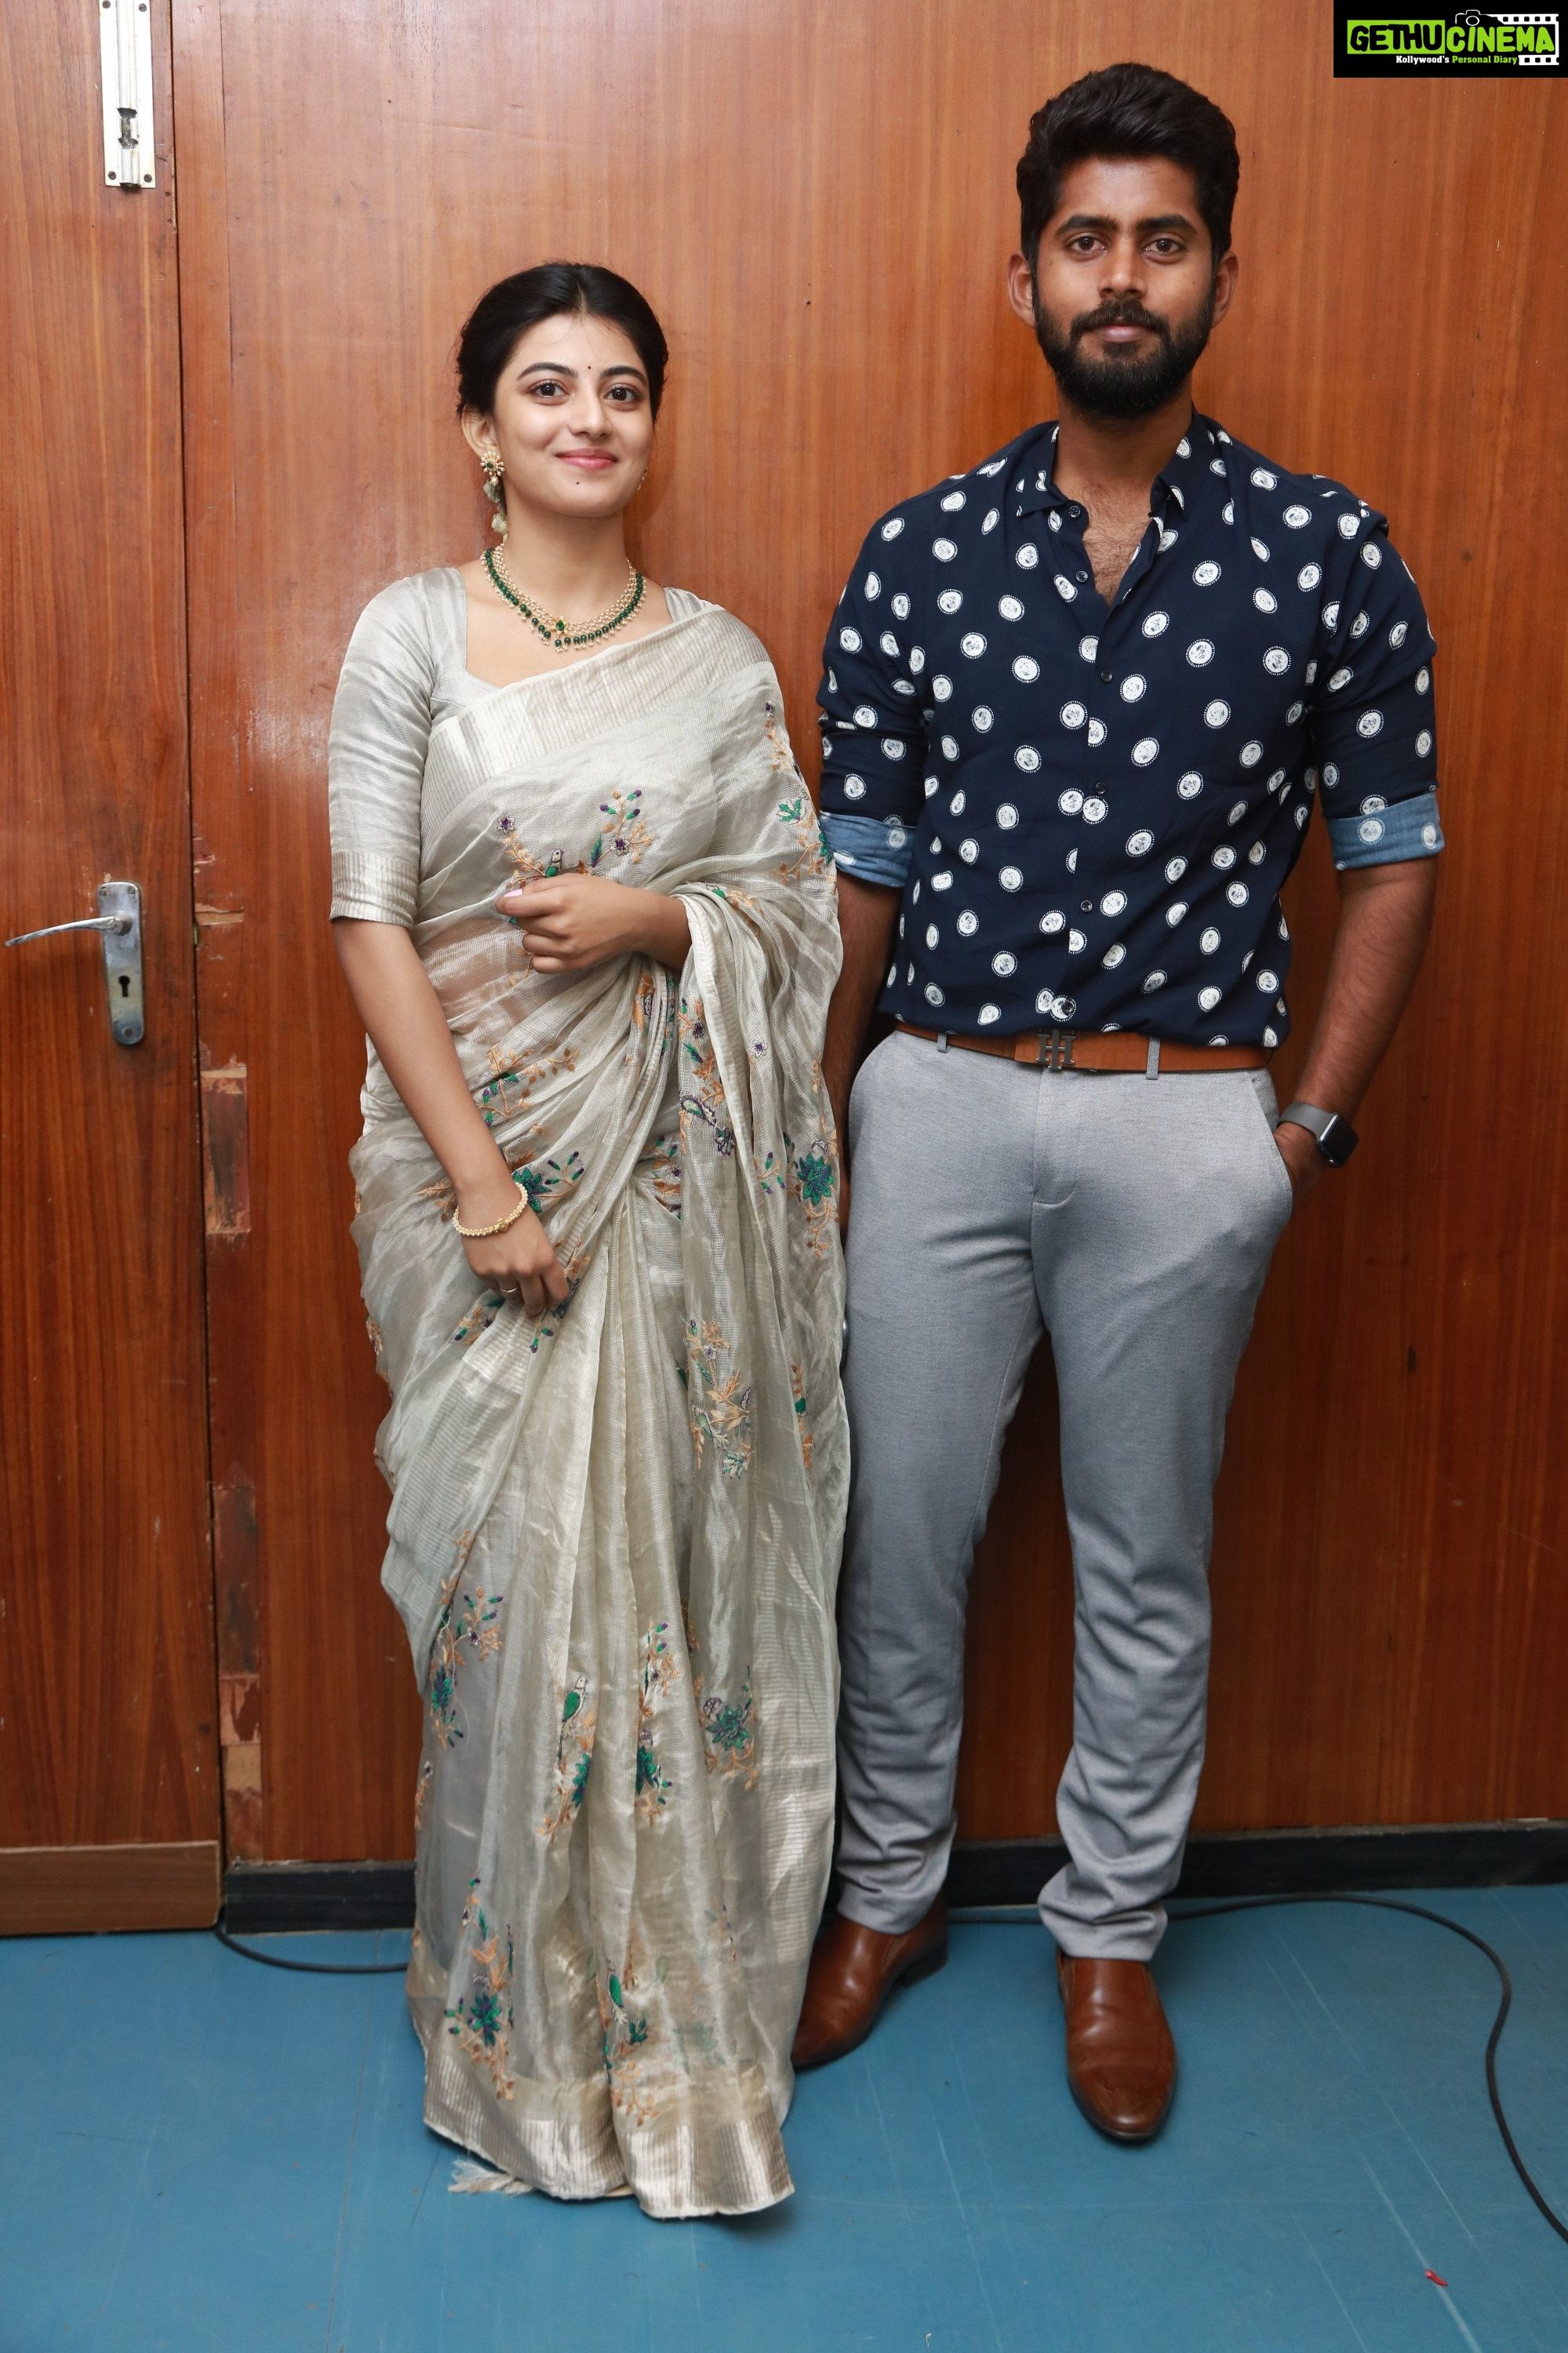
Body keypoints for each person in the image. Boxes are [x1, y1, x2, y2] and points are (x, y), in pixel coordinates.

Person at [792, 64, 1442, 2143]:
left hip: (1192, 1122)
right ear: (1029, 271)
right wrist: (827, 1134)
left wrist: (1303, 1134)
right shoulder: (918, 556)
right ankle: (882, 1899)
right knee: (900, 1535)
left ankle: (1110, 1937)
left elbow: (1397, 853)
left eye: (1163, 239)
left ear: (1218, 271)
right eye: (1088, 239)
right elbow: (859, 876)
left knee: (1143, 1551)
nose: (1123, 277)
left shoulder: (1328, 553)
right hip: (944, 1107)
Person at [327, 263, 847, 2217]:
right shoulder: (406, 639)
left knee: (658, 1602)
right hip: (480, 1173)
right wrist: (479, 1183)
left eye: (624, 388)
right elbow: (368, 922)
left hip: (666, 1194)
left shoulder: (716, 657)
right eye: (545, 388)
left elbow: (785, 904)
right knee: (514, 1607)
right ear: (479, 428)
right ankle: (517, 2035)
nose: (588, 419)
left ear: (653, 422)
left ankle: (668, 2027)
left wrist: (664, 925)